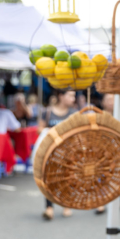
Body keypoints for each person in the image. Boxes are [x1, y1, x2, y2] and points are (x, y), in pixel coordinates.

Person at [39, 90, 77, 220]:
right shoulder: (48, 112)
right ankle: (49, 207)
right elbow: (40, 128)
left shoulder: (74, 114)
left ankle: (66, 204)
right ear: (61, 96)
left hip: (68, 153)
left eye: (74, 95)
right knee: (49, 179)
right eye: (70, 95)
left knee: (67, 178)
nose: (73, 98)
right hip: (50, 152)